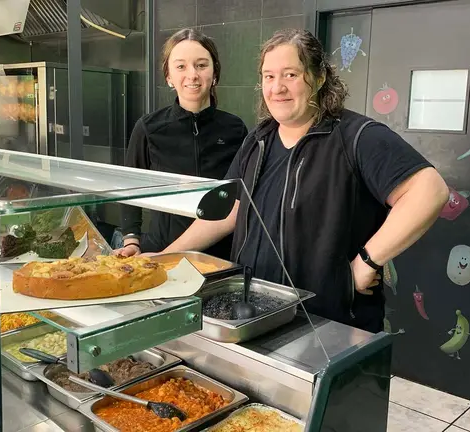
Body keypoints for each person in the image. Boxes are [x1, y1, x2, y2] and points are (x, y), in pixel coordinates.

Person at [118, 29, 449, 333]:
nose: (277, 87)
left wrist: (367, 260)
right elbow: (229, 211)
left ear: (319, 77)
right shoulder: (257, 141)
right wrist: (163, 258)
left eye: (291, 74)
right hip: (258, 315)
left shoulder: (356, 136)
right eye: (269, 76)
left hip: (330, 322)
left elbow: (429, 190)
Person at [117, 28, 248, 259]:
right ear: (168, 76)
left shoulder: (236, 129)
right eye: (181, 66)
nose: (192, 74)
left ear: (214, 73)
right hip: (161, 252)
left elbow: (241, 197)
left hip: (221, 257)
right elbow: (129, 187)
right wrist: (131, 239)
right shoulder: (148, 128)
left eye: (201, 65)